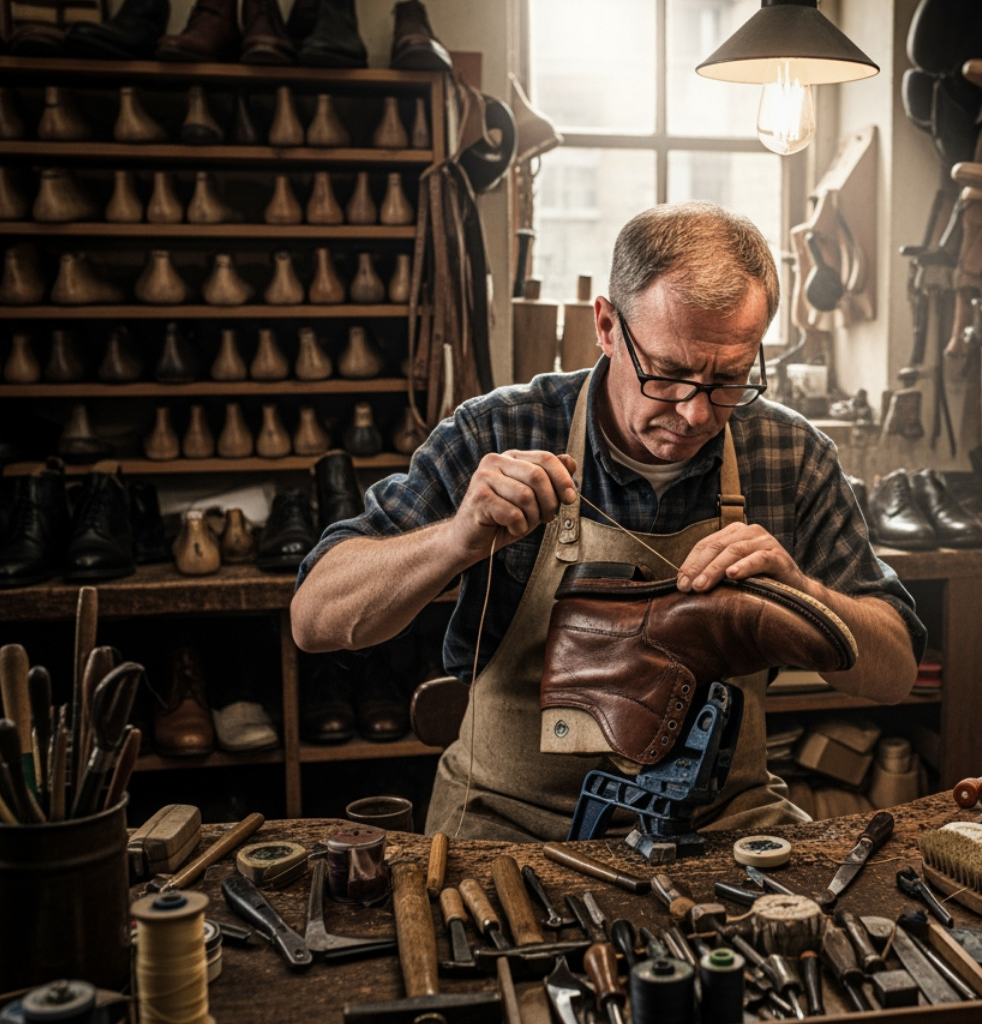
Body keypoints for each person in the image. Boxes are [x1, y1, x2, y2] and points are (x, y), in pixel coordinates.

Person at [291, 201, 925, 841]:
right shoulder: (499, 430)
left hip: (720, 825)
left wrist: (805, 597)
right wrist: (456, 540)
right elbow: (315, 619)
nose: (696, 413)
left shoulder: (791, 455)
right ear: (607, 326)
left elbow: (895, 673)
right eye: (669, 374)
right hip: (510, 823)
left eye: (729, 379)